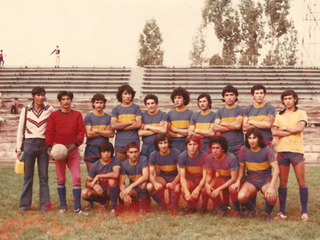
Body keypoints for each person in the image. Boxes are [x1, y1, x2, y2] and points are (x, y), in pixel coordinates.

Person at [46, 91, 87, 215]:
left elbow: (81, 132)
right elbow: (49, 132)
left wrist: (74, 145)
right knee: (61, 178)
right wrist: (49, 147)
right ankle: (63, 206)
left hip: (72, 150)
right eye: (63, 99)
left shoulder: (77, 115)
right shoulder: (53, 115)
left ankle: (77, 207)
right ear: (59, 101)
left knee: (77, 177)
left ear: (71, 100)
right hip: (59, 150)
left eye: (68, 98)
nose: (65, 101)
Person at [272, 89, 309, 221]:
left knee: (301, 181)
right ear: (283, 101)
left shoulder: (301, 113)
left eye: (290, 98)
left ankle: (304, 212)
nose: (287, 101)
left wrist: (284, 128)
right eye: (285, 98)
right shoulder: (279, 115)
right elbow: (274, 133)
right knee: (282, 182)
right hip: (282, 151)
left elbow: (300, 128)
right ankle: (282, 212)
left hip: (297, 151)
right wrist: (290, 129)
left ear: (295, 99)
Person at [17, 87, 54, 212]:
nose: (40, 97)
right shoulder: (26, 110)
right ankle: (24, 205)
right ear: (33, 96)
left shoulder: (49, 109)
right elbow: (20, 129)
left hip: (44, 144)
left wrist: (52, 145)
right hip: (29, 144)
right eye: (38, 95)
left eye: (42, 95)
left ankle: (45, 205)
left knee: (44, 176)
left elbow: (53, 126)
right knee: (28, 176)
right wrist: (18, 148)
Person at [235, 128, 279, 221]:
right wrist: (238, 181)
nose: (251, 140)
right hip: (251, 179)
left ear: (259, 138)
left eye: (254, 138)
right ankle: (252, 209)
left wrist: (271, 187)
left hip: (265, 179)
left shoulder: (267, 149)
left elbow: (276, 169)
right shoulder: (243, 149)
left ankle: (267, 213)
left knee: (271, 196)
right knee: (241, 196)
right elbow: (241, 168)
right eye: (249, 138)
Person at [83, 93, 114, 210]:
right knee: (91, 176)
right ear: (93, 103)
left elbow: (111, 134)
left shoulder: (108, 117)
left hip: (105, 149)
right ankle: (90, 202)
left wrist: (95, 129)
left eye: (101, 102)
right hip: (91, 148)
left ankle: (103, 201)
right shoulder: (88, 117)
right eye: (97, 102)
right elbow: (89, 133)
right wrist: (102, 130)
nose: (99, 105)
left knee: (104, 176)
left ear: (104, 104)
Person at [81, 141, 120, 216]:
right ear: (100, 153)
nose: (106, 154)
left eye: (108, 151)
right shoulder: (95, 165)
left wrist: (99, 176)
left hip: (115, 189)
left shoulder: (115, 159)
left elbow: (116, 174)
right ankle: (103, 201)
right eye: (103, 151)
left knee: (112, 181)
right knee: (84, 193)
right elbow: (87, 183)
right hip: (102, 191)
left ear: (111, 152)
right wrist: (93, 186)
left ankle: (113, 208)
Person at [147, 133, 181, 215]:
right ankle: (162, 204)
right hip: (163, 177)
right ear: (157, 144)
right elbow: (150, 174)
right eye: (160, 143)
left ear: (169, 143)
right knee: (149, 186)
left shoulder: (176, 153)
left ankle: (173, 207)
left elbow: (180, 173)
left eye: (165, 142)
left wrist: (173, 183)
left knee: (176, 188)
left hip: (174, 177)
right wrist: (155, 183)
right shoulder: (153, 155)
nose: (163, 146)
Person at [204, 136, 238, 217]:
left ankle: (237, 209)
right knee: (208, 189)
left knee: (232, 189)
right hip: (222, 178)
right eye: (213, 148)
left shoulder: (231, 158)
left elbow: (234, 178)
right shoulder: (209, 158)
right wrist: (207, 184)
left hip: (233, 180)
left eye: (217, 148)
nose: (214, 151)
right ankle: (222, 208)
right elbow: (208, 175)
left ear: (223, 149)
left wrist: (219, 189)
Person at [178, 135, 208, 215]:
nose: (192, 147)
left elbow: (205, 176)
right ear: (186, 146)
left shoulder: (204, 156)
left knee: (205, 188)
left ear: (198, 145)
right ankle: (192, 206)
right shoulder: (182, 156)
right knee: (183, 189)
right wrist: (187, 191)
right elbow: (182, 177)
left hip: (201, 180)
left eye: (194, 144)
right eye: (190, 144)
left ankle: (204, 206)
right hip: (190, 180)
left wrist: (198, 188)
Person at [111, 84, 142, 163]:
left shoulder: (136, 108)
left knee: (134, 170)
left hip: (133, 142)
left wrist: (120, 126)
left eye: (129, 94)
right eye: (125, 93)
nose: (128, 96)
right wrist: (130, 122)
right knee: (120, 169)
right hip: (120, 143)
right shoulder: (116, 109)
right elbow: (113, 125)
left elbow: (138, 124)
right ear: (121, 95)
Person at [119, 142, 149, 215]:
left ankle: (142, 207)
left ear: (139, 151)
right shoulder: (124, 164)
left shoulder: (143, 159)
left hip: (145, 188)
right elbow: (121, 183)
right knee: (121, 194)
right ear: (127, 153)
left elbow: (145, 176)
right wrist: (125, 193)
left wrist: (130, 186)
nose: (133, 154)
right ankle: (134, 203)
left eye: (135, 152)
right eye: (131, 152)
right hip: (134, 189)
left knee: (143, 183)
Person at [214, 85, 244, 156]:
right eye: (227, 95)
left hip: (238, 144)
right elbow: (216, 127)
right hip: (224, 145)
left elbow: (237, 126)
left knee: (239, 166)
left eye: (231, 95)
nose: (229, 97)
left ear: (236, 96)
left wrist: (222, 123)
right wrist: (233, 125)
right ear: (224, 97)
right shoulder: (219, 111)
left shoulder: (241, 110)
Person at [138, 94, 168, 159]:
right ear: (145, 105)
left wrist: (148, 126)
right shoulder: (142, 115)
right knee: (146, 167)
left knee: (158, 167)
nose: (150, 106)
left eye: (152, 103)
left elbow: (164, 130)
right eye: (148, 104)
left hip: (159, 145)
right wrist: (157, 129)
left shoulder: (163, 115)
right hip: (146, 145)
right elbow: (140, 132)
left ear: (157, 104)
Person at [167, 87, 194, 152]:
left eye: (179, 98)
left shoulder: (191, 113)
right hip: (173, 143)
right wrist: (178, 135)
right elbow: (168, 131)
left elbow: (190, 131)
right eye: (175, 98)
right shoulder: (170, 113)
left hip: (186, 143)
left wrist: (175, 129)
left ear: (184, 99)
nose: (176, 100)